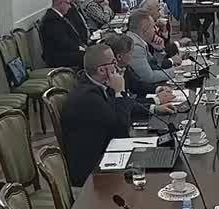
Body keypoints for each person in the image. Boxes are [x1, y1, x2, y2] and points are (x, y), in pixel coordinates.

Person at [59, 44, 136, 187]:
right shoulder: (88, 98)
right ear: (102, 70)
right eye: (113, 62)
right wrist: (120, 91)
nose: (117, 66)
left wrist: (155, 106)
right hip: (93, 173)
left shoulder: (96, 85)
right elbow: (121, 130)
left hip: (106, 153)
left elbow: (122, 108)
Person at [103, 32, 177, 117]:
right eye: (130, 53)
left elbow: (136, 84)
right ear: (119, 57)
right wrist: (155, 100)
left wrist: (158, 89)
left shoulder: (124, 67)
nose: (132, 56)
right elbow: (125, 103)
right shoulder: (108, 78)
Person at [125, 9, 178, 93]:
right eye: (153, 27)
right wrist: (175, 72)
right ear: (144, 30)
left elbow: (156, 65)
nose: (155, 30)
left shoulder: (139, 41)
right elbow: (149, 77)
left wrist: (159, 50)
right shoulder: (135, 46)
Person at [40, 0, 87, 68]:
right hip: (57, 56)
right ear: (60, 3)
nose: (70, 7)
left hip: (64, 51)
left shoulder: (58, 17)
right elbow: (62, 42)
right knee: (88, 56)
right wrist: (79, 48)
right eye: (68, 3)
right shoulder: (51, 20)